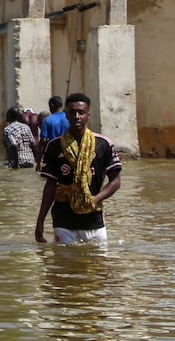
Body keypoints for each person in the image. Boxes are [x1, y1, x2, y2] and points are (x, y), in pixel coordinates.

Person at [35, 93, 122, 244]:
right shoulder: (55, 146)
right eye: (72, 112)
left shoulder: (103, 144)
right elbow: (50, 186)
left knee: (98, 265)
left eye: (81, 112)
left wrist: (95, 199)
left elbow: (115, 181)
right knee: (66, 266)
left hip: (93, 219)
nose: (77, 116)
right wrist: (40, 221)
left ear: (88, 115)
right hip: (63, 220)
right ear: (66, 116)